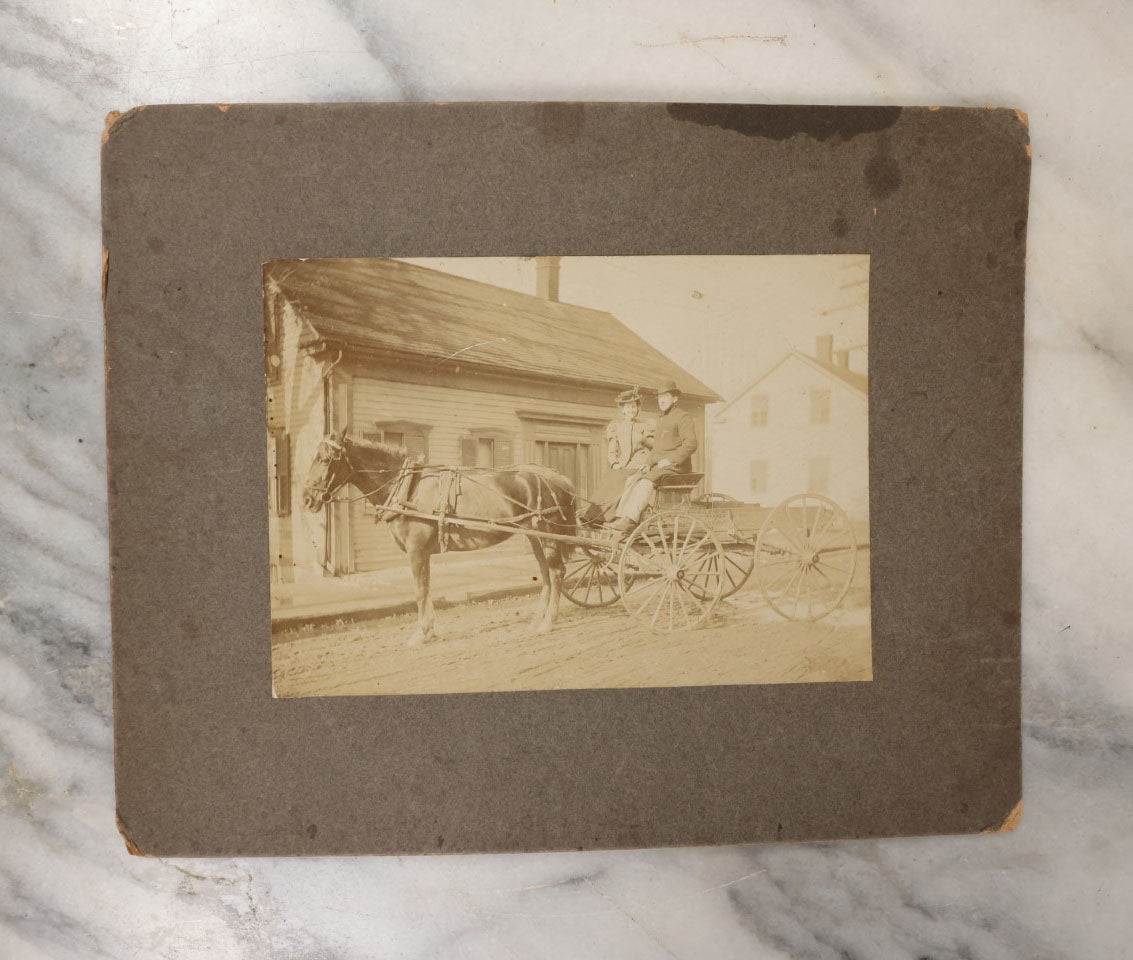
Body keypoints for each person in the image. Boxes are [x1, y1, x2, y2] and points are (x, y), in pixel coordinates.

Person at [608, 380, 697, 534]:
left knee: (645, 482)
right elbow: (656, 450)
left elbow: (691, 444)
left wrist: (670, 460)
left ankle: (630, 519)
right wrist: (648, 464)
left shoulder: (683, 417)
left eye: (665, 397)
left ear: (675, 399)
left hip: (677, 467)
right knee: (633, 478)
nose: (661, 400)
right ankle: (620, 517)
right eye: (659, 397)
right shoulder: (661, 420)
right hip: (662, 467)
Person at [584, 388, 654, 523]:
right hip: (622, 466)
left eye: (634, 407)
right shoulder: (616, 427)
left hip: (639, 465)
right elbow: (612, 451)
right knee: (609, 480)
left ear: (637, 408)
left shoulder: (644, 426)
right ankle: (595, 516)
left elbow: (653, 447)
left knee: (625, 483)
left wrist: (644, 439)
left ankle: (618, 517)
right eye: (628, 407)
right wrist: (615, 463)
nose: (631, 410)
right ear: (622, 410)